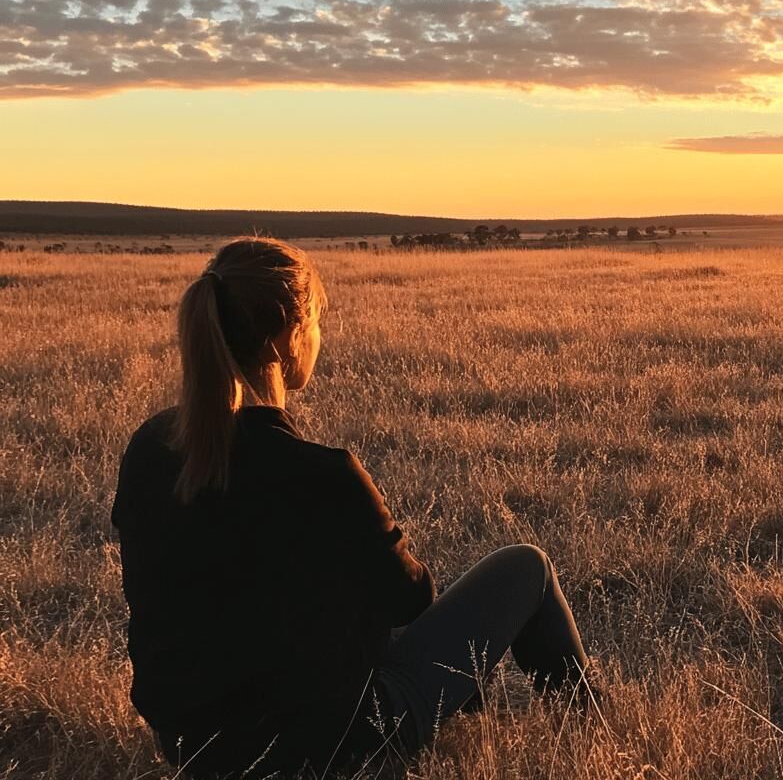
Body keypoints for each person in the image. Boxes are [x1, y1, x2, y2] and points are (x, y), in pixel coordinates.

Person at [111, 237, 592, 778]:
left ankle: (480, 718)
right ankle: (596, 732)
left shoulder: (149, 449)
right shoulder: (323, 473)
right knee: (527, 567)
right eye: (316, 320)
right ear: (288, 337)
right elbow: (411, 599)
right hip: (331, 745)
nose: (319, 335)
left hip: (191, 746)